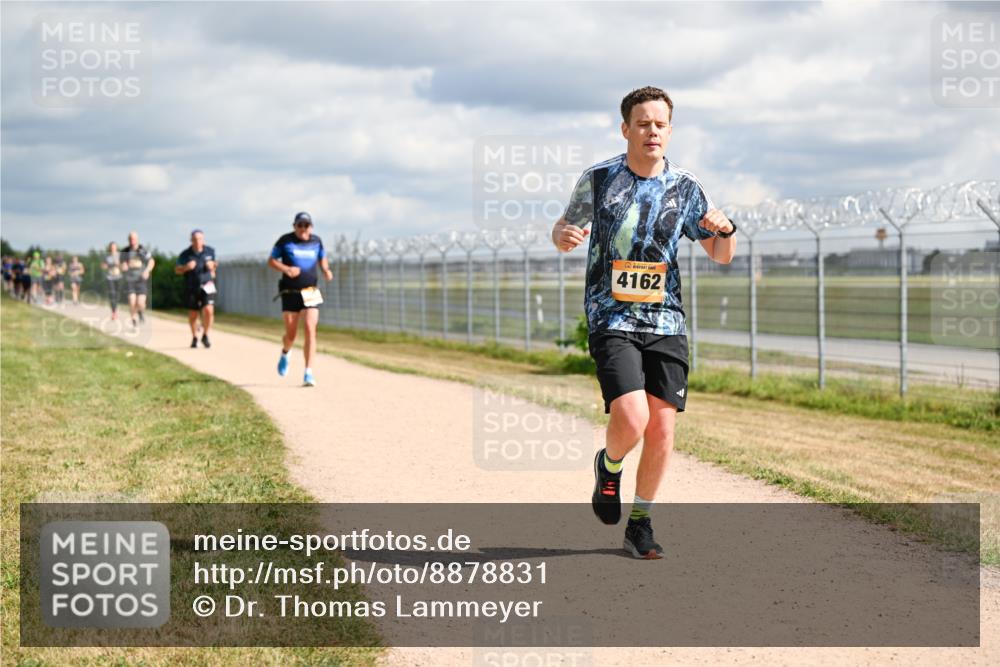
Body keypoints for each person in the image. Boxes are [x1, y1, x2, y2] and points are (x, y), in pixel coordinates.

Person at [551, 86, 736, 560]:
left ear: (670, 131)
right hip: (611, 314)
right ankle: (609, 466)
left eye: (660, 124)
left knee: (662, 431)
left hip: (667, 322)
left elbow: (720, 254)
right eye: (643, 123)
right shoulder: (600, 179)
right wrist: (563, 235)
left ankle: (640, 524)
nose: (652, 131)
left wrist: (727, 230)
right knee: (632, 417)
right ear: (626, 129)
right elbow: (563, 227)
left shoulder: (686, 188)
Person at [267, 211, 333, 387]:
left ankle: (308, 372)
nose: (303, 228)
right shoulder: (285, 241)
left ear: (311, 227)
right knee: (291, 334)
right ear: (294, 226)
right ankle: (285, 352)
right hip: (290, 291)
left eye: (306, 225)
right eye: (300, 225)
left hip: (311, 290)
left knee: (311, 328)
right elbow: (271, 261)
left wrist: (326, 270)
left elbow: (323, 259)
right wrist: (286, 269)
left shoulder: (317, 241)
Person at [175, 229, 218, 349]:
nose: (198, 241)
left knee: (209, 310)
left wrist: (213, 266)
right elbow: (177, 269)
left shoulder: (210, 251)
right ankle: (194, 337)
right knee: (193, 314)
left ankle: (205, 335)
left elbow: (214, 265)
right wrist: (186, 267)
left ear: (203, 240)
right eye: (195, 239)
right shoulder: (185, 254)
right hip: (192, 285)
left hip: (208, 284)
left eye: (200, 239)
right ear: (191, 240)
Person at [120, 231, 154, 328]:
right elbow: (121, 263)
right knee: (131, 300)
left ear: (137, 239)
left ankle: (140, 311)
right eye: (130, 239)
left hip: (141, 279)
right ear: (128, 240)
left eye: (134, 239)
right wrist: (123, 266)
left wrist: (147, 270)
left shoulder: (142, 250)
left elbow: (151, 261)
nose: (132, 241)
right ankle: (133, 319)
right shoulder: (125, 251)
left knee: (140, 303)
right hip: (130, 279)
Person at [101, 242, 123, 319]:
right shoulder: (107, 256)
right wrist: (107, 265)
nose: (113, 248)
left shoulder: (120, 256)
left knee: (117, 295)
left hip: (118, 277)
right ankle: (114, 312)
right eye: (111, 247)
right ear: (110, 248)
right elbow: (103, 265)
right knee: (112, 294)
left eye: (114, 247)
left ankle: (115, 308)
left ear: (116, 248)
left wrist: (119, 264)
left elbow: (124, 266)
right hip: (110, 277)